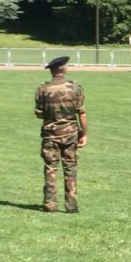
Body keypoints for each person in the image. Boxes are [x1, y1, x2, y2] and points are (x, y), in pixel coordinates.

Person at [36, 56, 88, 213]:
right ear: (63, 69)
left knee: (51, 168)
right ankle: (71, 206)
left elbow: (38, 113)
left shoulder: (43, 89)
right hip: (71, 134)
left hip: (50, 134)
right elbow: (82, 114)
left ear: (52, 71)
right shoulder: (75, 88)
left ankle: (49, 204)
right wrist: (83, 134)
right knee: (70, 168)